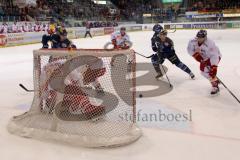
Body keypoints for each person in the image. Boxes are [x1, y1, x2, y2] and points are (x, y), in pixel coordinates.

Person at [187, 30, 222, 95]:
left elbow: (214, 55)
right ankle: (215, 80)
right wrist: (195, 55)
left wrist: (214, 67)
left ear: (205, 37)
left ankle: (215, 86)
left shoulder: (210, 43)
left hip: (214, 57)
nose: (199, 39)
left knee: (211, 72)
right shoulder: (192, 41)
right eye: (198, 37)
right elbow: (189, 50)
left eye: (201, 37)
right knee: (203, 72)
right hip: (204, 58)